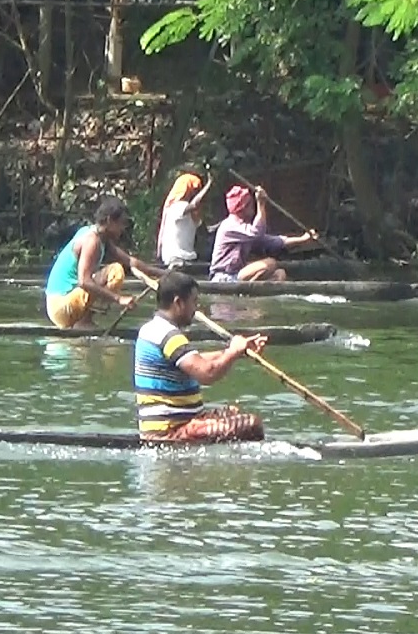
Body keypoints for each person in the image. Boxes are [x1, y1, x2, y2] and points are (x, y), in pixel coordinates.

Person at [133, 271, 268, 443]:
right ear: (178, 303)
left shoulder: (152, 329)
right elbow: (207, 373)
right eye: (194, 302)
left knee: (233, 412)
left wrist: (239, 352)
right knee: (252, 425)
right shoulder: (168, 335)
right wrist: (232, 352)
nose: (196, 309)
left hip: (178, 422)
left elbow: (195, 360)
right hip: (170, 431)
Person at [45, 196, 167, 330]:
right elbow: (84, 281)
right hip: (61, 306)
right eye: (121, 223)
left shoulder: (101, 238)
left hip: (59, 305)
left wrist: (165, 273)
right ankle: (84, 322)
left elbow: (130, 261)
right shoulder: (92, 241)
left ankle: (83, 320)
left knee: (117, 268)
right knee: (116, 271)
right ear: (109, 221)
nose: (122, 229)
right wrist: (118, 299)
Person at [208, 184, 318, 282]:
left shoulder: (245, 229)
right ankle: (244, 291)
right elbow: (257, 232)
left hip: (236, 274)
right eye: (250, 204)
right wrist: (261, 204)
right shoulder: (230, 225)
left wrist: (303, 239)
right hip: (223, 277)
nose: (253, 207)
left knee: (279, 274)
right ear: (243, 207)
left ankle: (253, 298)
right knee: (270, 263)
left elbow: (275, 241)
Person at [155, 168, 213, 268]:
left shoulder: (190, 213)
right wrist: (209, 184)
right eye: (195, 190)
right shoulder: (177, 207)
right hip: (176, 258)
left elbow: (206, 230)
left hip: (187, 258)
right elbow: (194, 204)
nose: (196, 193)